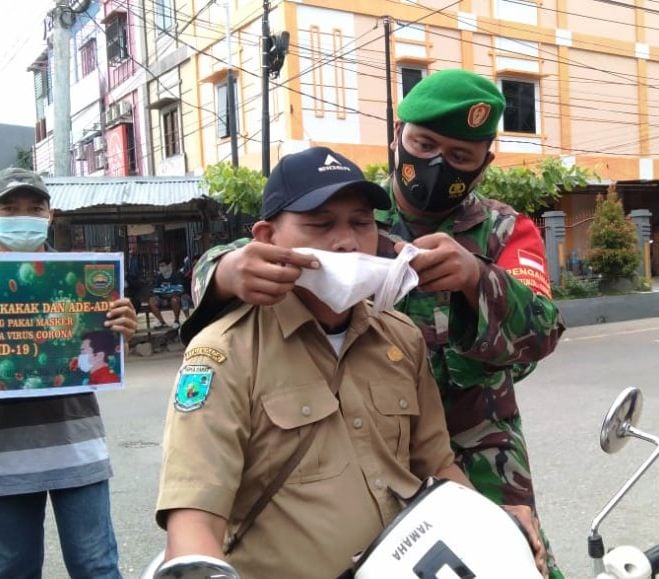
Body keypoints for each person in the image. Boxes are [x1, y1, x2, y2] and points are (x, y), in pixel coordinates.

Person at [184, 69, 565, 577]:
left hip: (477, 452)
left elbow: (542, 331)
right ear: (398, 137)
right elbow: (257, 254)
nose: (434, 165)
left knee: (517, 562)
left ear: (482, 165)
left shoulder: (504, 229)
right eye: (424, 144)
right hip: (362, 447)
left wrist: (477, 279)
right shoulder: (357, 212)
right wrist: (225, 272)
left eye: (458, 157)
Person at [0, 167, 137, 579]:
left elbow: (102, 358)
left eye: (34, 207)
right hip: (5, 458)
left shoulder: (82, 278)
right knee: (13, 569)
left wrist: (121, 333)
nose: (22, 216)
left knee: (95, 566)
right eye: (9, 208)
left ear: (50, 215)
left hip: (76, 446)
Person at [148, 256, 188, 329]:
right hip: (162, 298)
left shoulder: (177, 275)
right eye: (160, 266)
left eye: (163, 266)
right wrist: (167, 291)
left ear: (169, 265)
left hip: (174, 298)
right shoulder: (159, 277)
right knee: (151, 301)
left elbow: (179, 289)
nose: (161, 268)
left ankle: (176, 321)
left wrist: (166, 291)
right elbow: (156, 290)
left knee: (175, 300)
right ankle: (161, 322)